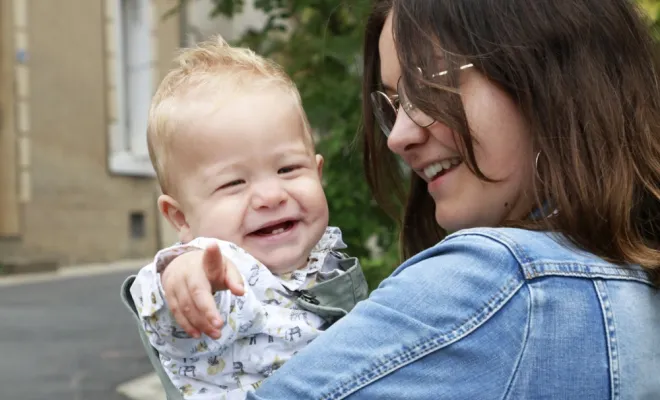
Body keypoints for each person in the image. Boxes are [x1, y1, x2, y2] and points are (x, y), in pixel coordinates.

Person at [241, 0, 656, 398]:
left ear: (551, 80)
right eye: (395, 103)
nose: (399, 137)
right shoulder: (631, 281)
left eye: (430, 86)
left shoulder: (500, 280)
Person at [123, 36, 367, 400]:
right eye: (234, 183)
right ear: (180, 218)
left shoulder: (325, 258)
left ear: (317, 173)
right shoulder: (219, 271)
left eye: (287, 169)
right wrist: (184, 276)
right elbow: (165, 300)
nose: (271, 196)